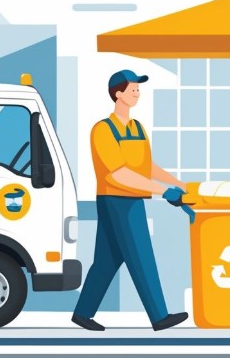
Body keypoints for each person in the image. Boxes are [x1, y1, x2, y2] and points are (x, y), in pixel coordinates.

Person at [72, 69, 193, 332]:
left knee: (107, 260)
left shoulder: (138, 128)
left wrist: (179, 185)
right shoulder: (102, 130)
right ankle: (159, 317)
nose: (137, 93)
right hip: (116, 200)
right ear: (118, 93)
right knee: (142, 256)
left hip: (133, 198)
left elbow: (146, 166)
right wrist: (162, 191)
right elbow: (119, 174)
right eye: (132, 89)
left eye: (138, 88)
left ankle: (82, 313)